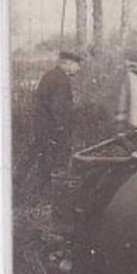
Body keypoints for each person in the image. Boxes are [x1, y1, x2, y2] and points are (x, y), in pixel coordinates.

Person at [29, 46, 82, 191]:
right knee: (55, 160)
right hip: (54, 129)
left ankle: (36, 188)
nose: (78, 69)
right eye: (77, 65)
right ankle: (50, 192)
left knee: (41, 157)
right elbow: (58, 109)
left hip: (43, 126)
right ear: (67, 63)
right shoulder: (61, 80)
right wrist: (62, 129)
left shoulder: (50, 75)